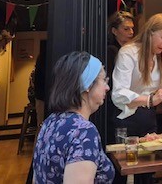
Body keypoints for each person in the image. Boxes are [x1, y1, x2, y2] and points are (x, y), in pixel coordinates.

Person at [111, 13, 162, 183]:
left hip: (148, 119)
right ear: (150, 32)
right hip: (127, 120)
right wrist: (150, 100)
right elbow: (118, 93)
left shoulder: (161, 57)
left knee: (148, 172)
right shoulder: (128, 53)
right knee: (127, 172)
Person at [33, 51, 114, 184]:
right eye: (103, 80)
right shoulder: (83, 131)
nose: (107, 87)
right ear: (88, 85)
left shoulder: (50, 122)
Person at [105, 11, 135, 144]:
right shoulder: (111, 51)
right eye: (126, 29)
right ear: (114, 31)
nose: (131, 32)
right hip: (116, 105)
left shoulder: (133, 51)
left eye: (132, 28)